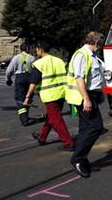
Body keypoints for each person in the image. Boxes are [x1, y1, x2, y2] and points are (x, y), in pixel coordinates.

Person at [66, 32, 105, 178]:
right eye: (99, 44)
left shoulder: (91, 55)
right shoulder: (82, 55)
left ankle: (81, 158)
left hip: (91, 95)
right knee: (96, 127)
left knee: (85, 128)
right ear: (96, 43)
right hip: (84, 96)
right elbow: (79, 78)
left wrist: (98, 94)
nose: (99, 47)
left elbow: (95, 77)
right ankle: (78, 158)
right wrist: (86, 99)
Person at [23, 41, 75, 151]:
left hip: (50, 96)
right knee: (52, 117)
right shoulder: (59, 61)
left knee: (56, 120)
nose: (36, 51)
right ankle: (42, 137)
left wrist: (27, 97)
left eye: (36, 49)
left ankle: (69, 142)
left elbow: (33, 82)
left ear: (40, 49)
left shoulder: (39, 63)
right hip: (61, 93)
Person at [5, 43, 36, 126]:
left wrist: (8, 79)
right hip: (30, 78)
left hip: (20, 77)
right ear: (27, 49)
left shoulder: (16, 58)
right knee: (28, 97)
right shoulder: (32, 58)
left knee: (19, 99)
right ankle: (26, 116)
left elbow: (9, 70)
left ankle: (24, 119)